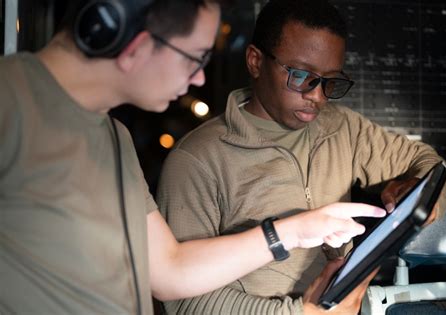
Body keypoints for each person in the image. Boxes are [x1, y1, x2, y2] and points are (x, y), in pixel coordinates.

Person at [0, 0, 389, 314]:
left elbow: (169, 270)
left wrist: (297, 230)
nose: (199, 78)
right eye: (194, 57)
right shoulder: (9, 99)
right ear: (132, 42)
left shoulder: (111, 137)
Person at [157, 0, 446, 314]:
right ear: (256, 61)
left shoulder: (342, 128)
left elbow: (434, 166)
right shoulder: (196, 161)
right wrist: (299, 313)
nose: (317, 96)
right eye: (301, 76)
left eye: (331, 81)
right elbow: (184, 301)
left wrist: (421, 197)